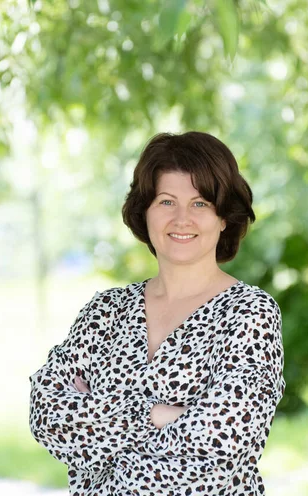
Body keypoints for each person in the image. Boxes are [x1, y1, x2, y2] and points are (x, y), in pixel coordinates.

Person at [29, 131, 285, 495]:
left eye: (200, 203)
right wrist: (161, 415)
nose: (182, 218)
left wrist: (99, 419)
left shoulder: (249, 313)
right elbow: (46, 413)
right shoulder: (107, 311)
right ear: (144, 212)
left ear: (224, 217)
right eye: (167, 202)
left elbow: (225, 443)